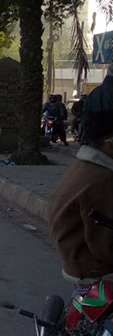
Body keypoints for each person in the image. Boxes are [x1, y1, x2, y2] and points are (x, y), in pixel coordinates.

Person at [48, 100, 113, 293]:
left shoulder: (86, 164)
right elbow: (105, 245)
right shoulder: (102, 179)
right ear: (109, 143)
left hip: (73, 249)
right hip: (87, 264)